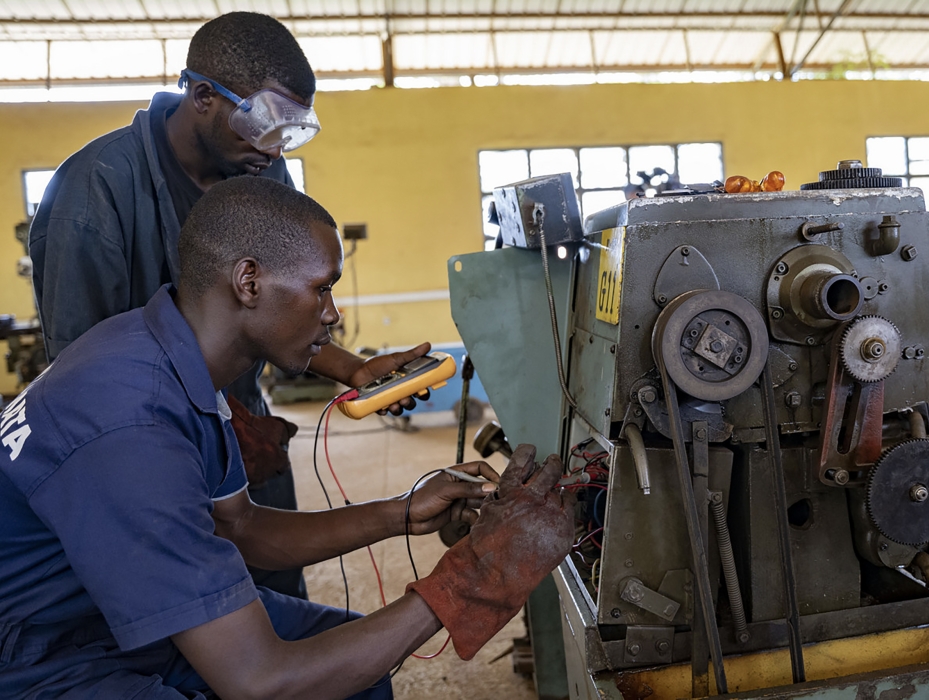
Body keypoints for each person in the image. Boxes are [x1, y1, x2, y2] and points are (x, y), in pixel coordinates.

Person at [0, 177, 574, 699]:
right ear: (248, 281)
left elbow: (241, 527)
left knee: (356, 673)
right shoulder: (131, 425)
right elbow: (261, 681)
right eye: (322, 288)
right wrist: (471, 578)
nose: (333, 314)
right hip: (39, 655)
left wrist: (402, 512)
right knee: (313, 678)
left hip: (99, 610)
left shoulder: (166, 355)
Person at [27, 11, 416, 599]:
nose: (276, 144)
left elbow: (271, 312)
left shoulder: (264, 171)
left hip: (238, 421)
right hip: (135, 442)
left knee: (276, 590)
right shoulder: (95, 193)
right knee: (183, 603)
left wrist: (352, 370)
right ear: (203, 95)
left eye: (292, 129)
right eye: (263, 122)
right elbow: (80, 382)